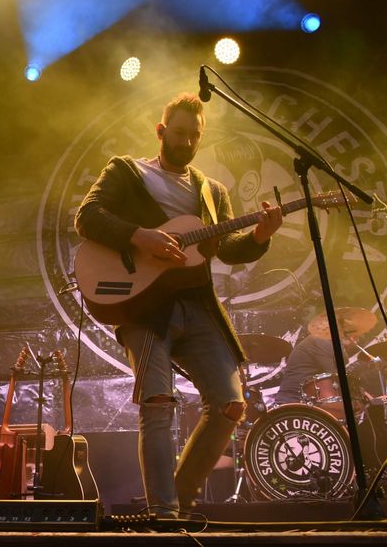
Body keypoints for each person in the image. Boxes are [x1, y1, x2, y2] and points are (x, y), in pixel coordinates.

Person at [75, 93, 283, 517]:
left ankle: (181, 498)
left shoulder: (213, 191)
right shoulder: (128, 171)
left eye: (195, 135)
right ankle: (164, 515)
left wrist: (262, 235)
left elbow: (225, 249)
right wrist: (139, 235)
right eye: (180, 133)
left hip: (197, 305)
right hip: (144, 307)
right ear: (161, 131)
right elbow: (87, 216)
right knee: (157, 403)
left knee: (230, 405)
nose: (187, 142)